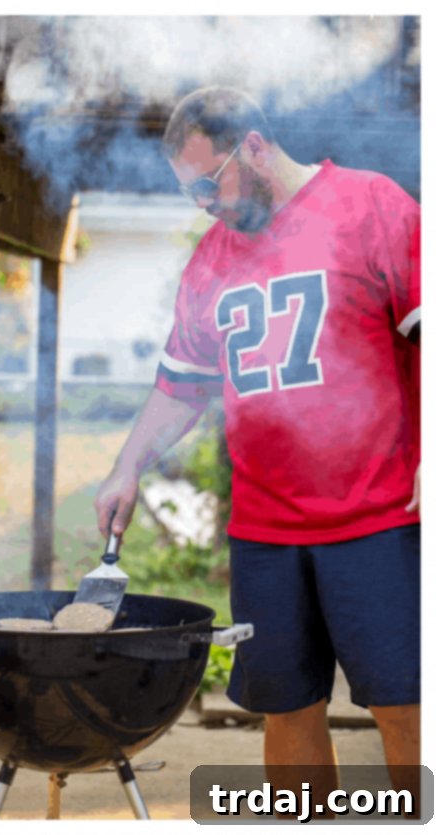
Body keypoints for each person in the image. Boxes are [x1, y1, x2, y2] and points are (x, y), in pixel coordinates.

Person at [94, 86, 420, 812]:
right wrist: (127, 466)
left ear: (254, 146)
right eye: (190, 193)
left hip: (380, 519)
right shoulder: (211, 260)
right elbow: (181, 386)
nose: (204, 205)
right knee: (286, 709)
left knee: (407, 705)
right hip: (265, 534)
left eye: (210, 184)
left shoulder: (371, 205)